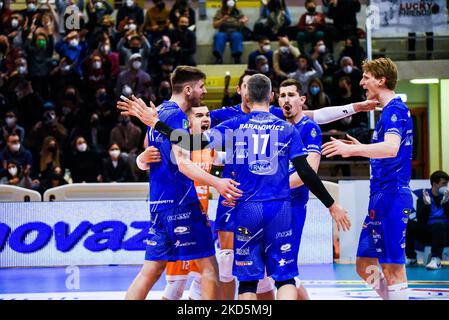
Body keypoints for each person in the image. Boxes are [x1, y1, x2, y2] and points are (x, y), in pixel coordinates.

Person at [129, 73, 351, 300]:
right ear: (272, 97)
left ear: (246, 95)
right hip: (279, 210)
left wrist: (156, 123)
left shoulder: (234, 125)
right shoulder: (287, 129)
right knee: (284, 278)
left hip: (247, 210)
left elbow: (189, 142)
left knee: (247, 281)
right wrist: (331, 205)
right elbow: (306, 172)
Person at [118, 66, 243, 300]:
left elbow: (158, 155)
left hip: (158, 204)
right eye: (201, 86)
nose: (204, 91)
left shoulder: (157, 114)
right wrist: (217, 182)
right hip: (182, 202)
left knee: (150, 271)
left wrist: (141, 159)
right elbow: (183, 162)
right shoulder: (176, 116)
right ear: (188, 89)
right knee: (209, 270)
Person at [322, 57, 414, 300]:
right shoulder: (388, 113)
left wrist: (352, 150)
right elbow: (387, 150)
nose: (362, 82)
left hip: (392, 195)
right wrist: (362, 146)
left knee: (393, 269)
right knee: (364, 265)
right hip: (380, 197)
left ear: (381, 80)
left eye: (366, 78)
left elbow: (391, 149)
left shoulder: (394, 109)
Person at [278, 78, 323, 300]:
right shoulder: (277, 126)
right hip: (272, 206)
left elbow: (310, 171)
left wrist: (274, 188)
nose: (286, 99)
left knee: (285, 269)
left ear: (302, 100)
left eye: (291, 95)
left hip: (292, 206)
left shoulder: (310, 129)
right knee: (282, 271)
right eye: (282, 95)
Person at [406, 171, 449, 270]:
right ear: (435, 183)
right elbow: (421, 220)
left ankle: (436, 259)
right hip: (429, 233)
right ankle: (411, 258)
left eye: (446, 184)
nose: (446, 186)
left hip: (445, 233)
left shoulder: (448, 197)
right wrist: (427, 205)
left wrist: (447, 204)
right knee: (409, 224)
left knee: (439, 224)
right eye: (443, 184)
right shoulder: (424, 196)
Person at [212, 0, 249, 64]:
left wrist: (243, 21)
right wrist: (222, 20)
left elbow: (245, 19)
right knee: (219, 36)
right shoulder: (220, 12)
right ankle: (218, 58)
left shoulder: (238, 11)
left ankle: (237, 57)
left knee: (237, 36)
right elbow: (215, 25)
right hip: (223, 32)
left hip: (235, 31)